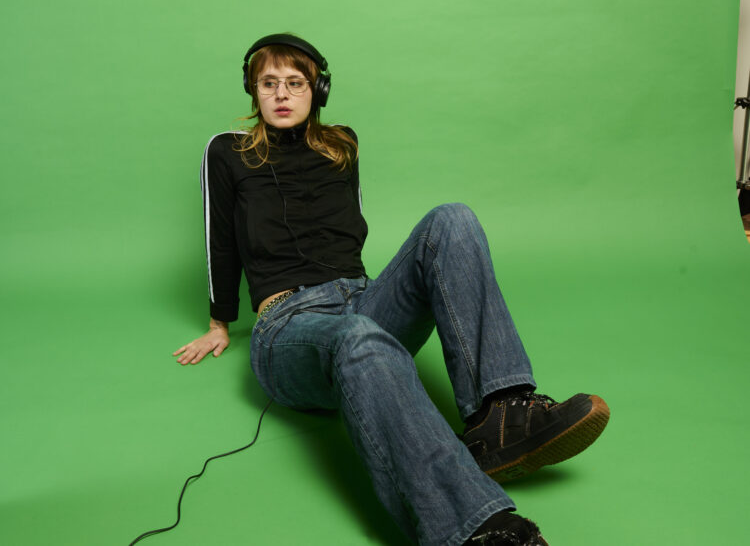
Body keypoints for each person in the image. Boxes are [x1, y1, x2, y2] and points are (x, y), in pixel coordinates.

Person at [173, 33, 610, 546]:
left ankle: (500, 417)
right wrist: (219, 322)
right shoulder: (227, 152)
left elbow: (349, 234)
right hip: (290, 323)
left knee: (452, 220)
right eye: (269, 83)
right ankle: (469, 528)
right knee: (356, 333)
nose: (282, 94)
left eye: (296, 83)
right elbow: (219, 239)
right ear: (253, 91)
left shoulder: (342, 145)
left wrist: (368, 300)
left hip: (361, 299)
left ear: (319, 90)